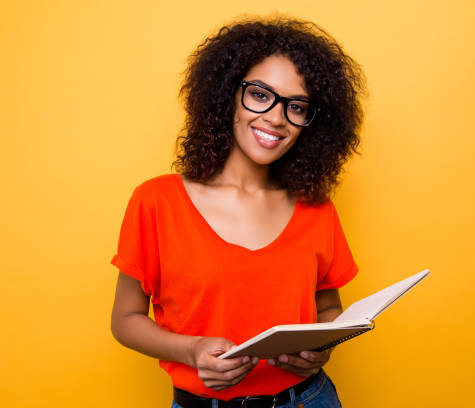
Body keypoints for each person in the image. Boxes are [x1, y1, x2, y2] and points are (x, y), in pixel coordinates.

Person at [110, 16, 365, 408]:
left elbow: (329, 308)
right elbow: (125, 320)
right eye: (261, 95)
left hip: (308, 399)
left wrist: (320, 346)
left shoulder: (316, 208)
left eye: (296, 106)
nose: (277, 118)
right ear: (228, 94)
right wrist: (192, 351)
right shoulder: (157, 202)